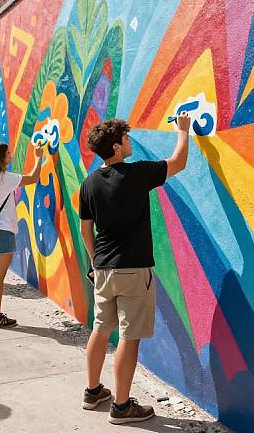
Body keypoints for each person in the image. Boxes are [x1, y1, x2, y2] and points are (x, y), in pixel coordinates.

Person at [79, 114, 190, 425]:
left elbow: (85, 228)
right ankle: (122, 406)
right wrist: (183, 130)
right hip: (133, 269)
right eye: (126, 139)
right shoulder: (137, 173)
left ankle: (93, 392)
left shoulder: (88, 184)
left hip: (102, 269)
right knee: (129, 336)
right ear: (116, 146)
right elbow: (177, 162)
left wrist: (93, 261)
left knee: (101, 329)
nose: (130, 143)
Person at [0, 142, 43, 328]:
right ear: (0, 157)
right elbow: (32, 178)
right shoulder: (4, 178)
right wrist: (38, 157)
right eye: (8, 153)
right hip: (3, 232)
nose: (11, 155)